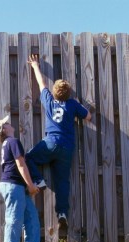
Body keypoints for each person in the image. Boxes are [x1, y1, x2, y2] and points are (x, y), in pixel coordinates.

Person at [26, 54, 92, 230]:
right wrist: (80, 106)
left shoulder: (48, 100)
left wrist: (35, 66)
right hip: (67, 148)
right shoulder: (72, 104)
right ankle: (62, 213)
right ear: (68, 93)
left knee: (28, 158)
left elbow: (41, 84)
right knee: (62, 181)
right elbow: (88, 116)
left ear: (54, 92)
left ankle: (39, 180)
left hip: (50, 142)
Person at [0, 115, 41, 242]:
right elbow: (21, 165)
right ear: (4, 130)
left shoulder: (8, 143)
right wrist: (31, 185)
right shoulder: (13, 141)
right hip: (13, 185)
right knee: (14, 217)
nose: (9, 123)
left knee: (31, 215)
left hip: (15, 185)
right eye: (5, 123)